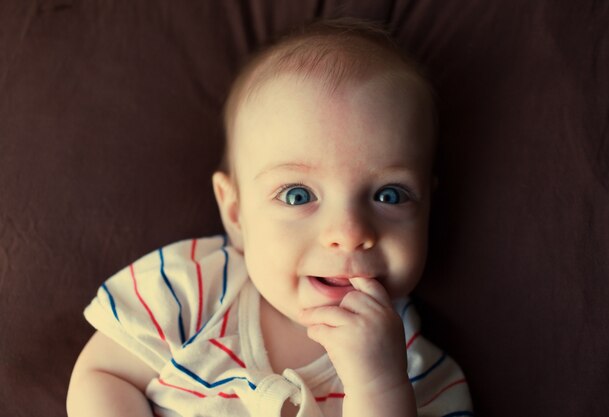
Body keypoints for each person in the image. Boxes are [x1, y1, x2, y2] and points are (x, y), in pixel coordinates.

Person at [67, 18, 473, 417]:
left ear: (428, 208)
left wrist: (380, 386)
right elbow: (103, 375)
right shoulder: (188, 291)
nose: (349, 234)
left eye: (389, 194)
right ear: (235, 212)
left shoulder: (422, 375)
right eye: (298, 195)